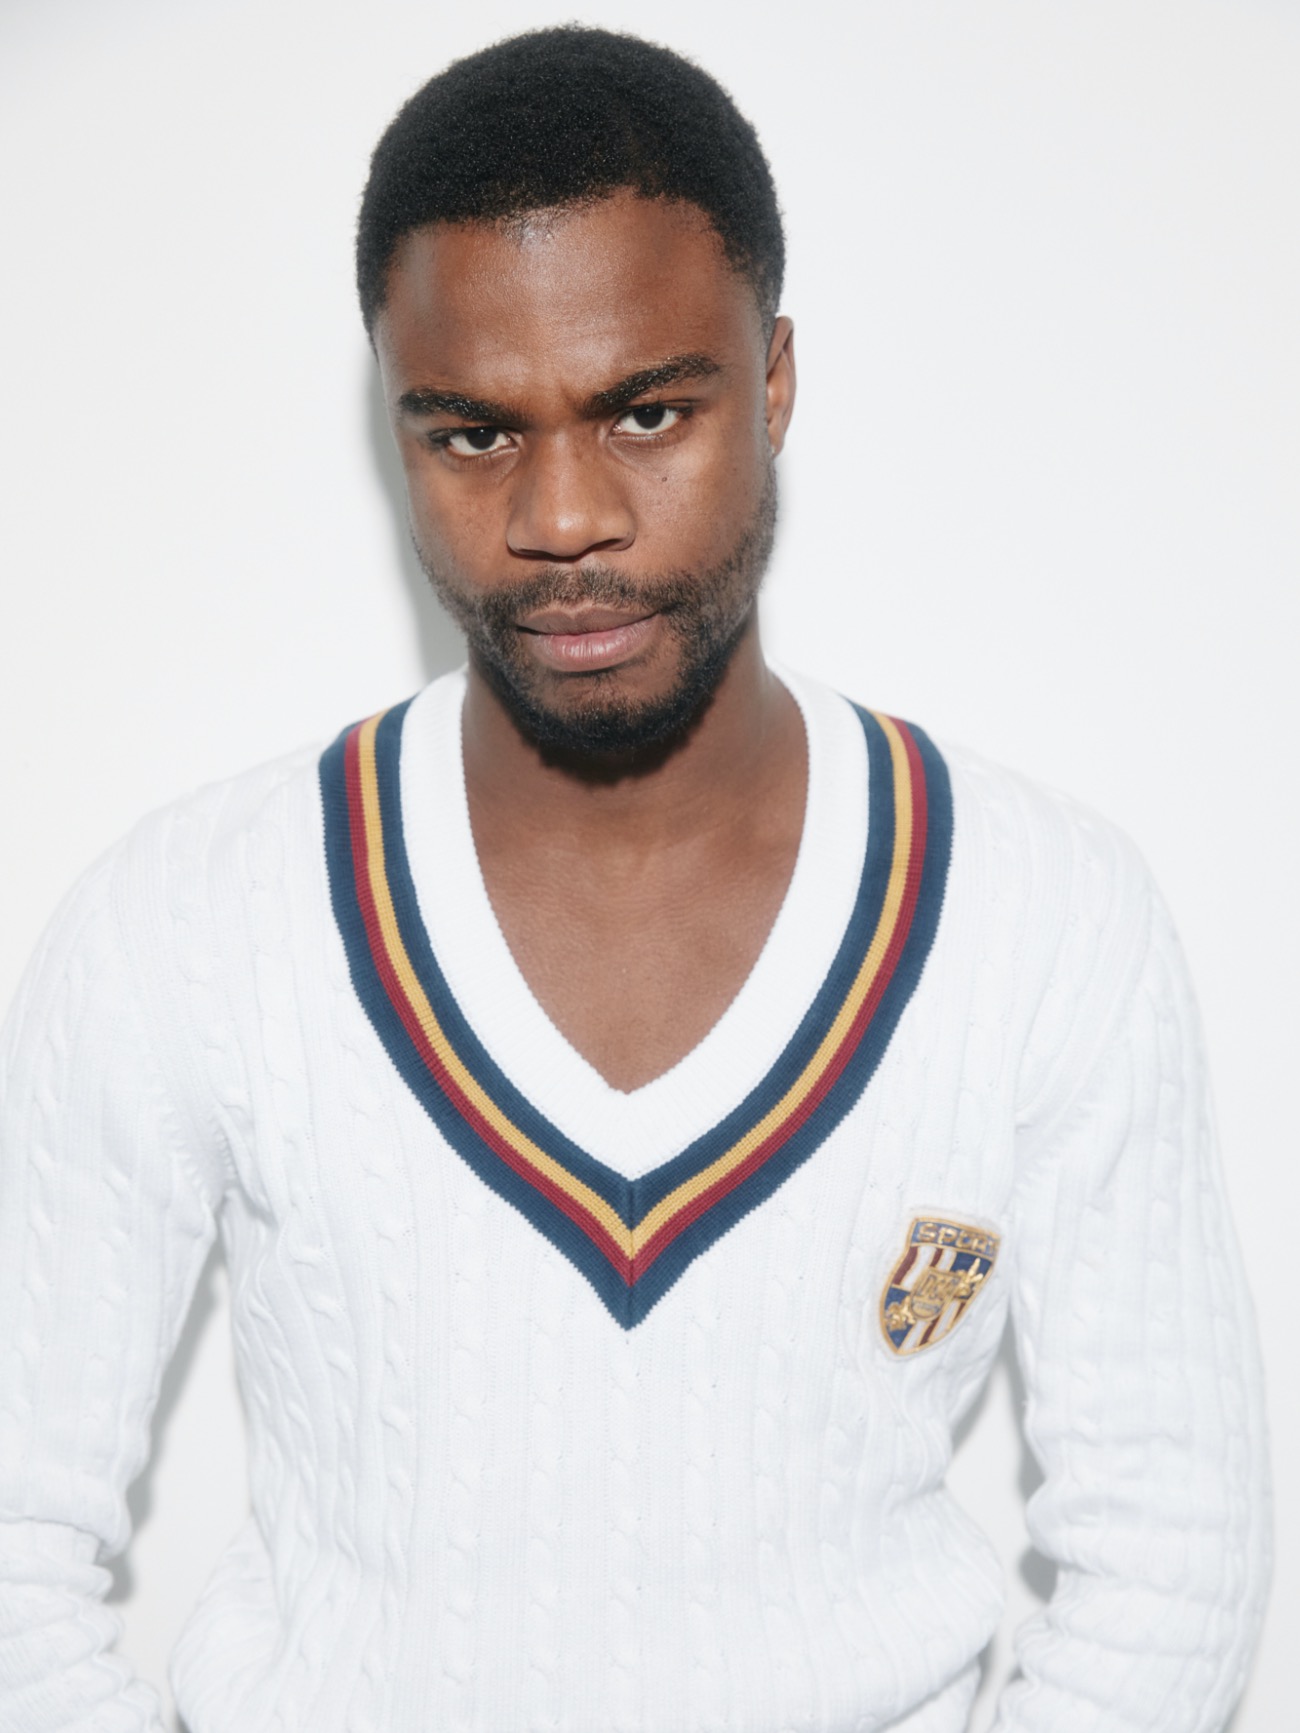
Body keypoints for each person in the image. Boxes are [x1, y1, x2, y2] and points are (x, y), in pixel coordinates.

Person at [0, 23, 1270, 1733]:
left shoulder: (1044, 919)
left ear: (777, 382)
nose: (563, 517)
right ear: (392, 420)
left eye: (647, 412)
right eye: (472, 435)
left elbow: (1169, 1556)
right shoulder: (182, 925)